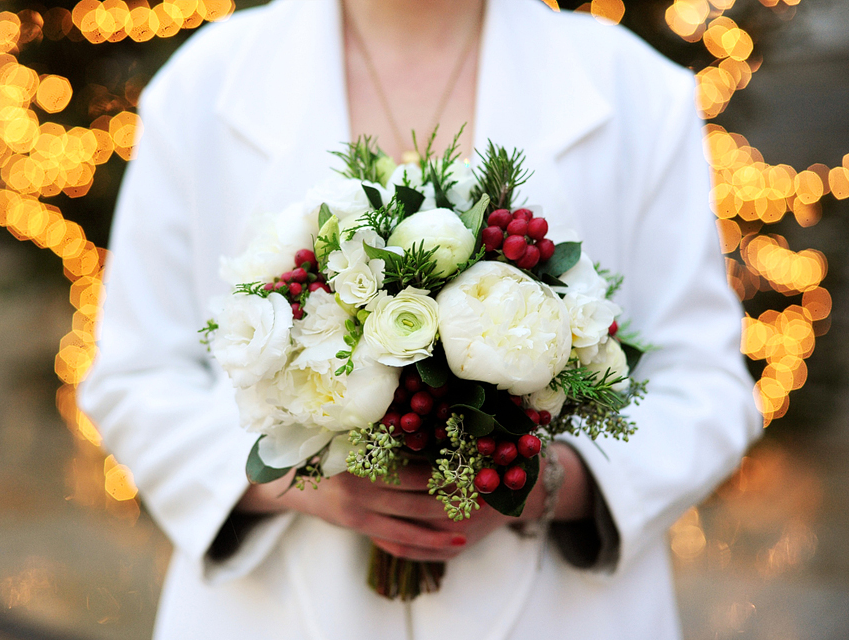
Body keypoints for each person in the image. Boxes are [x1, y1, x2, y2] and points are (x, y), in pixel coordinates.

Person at [78, 0, 761, 638]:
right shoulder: (204, 84)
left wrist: (542, 482)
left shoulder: (638, 89)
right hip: (273, 609)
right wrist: (301, 484)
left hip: (564, 612)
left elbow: (705, 384)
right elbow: (137, 375)